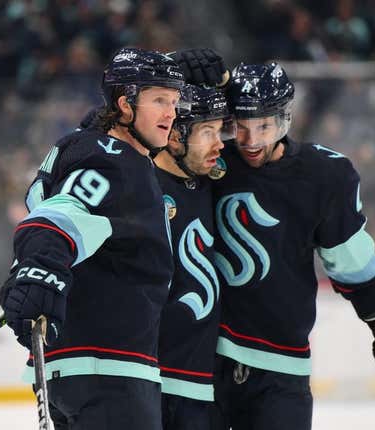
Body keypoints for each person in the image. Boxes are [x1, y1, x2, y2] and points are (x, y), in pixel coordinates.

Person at [198, 61, 375, 429]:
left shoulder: (323, 177)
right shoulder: (205, 162)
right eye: (241, 127)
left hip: (281, 368)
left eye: (264, 126)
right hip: (204, 361)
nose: (251, 140)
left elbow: (352, 263)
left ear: (285, 119)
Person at [0, 47, 188, 430]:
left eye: (174, 101)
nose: (172, 112)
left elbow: (52, 207)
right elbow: (58, 218)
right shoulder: (115, 160)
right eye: (159, 100)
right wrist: (41, 270)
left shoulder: (89, 149)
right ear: (126, 104)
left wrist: (37, 273)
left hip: (72, 368)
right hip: (110, 371)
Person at [152, 84, 233, 430]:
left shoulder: (211, 181)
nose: (220, 143)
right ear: (173, 137)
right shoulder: (137, 184)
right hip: (146, 382)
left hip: (201, 387)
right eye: (206, 132)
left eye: (219, 130)